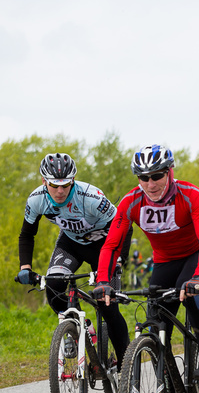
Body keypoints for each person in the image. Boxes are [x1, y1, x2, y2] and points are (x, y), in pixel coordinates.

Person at [94, 145, 199, 377]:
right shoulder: (131, 202)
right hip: (165, 261)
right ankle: (169, 382)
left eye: (157, 176)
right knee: (155, 322)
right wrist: (103, 281)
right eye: (143, 178)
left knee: (189, 294)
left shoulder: (191, 195)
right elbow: (111, 245)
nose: (150, 184)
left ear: (170, 171)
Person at [18, 153, 130, 369]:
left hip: (105, 245)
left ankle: (126, 363)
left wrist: (119, 259)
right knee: (54, 284)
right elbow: (27, 234)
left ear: (73, 181)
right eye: (54, 185)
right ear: (44, 181)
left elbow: (124, 225)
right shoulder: (36, 199)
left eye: (66, 185)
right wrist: (26, 267)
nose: (60, 191)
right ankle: (78, 325)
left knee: (107, 304)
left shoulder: (91, 197)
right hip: (71, 244)